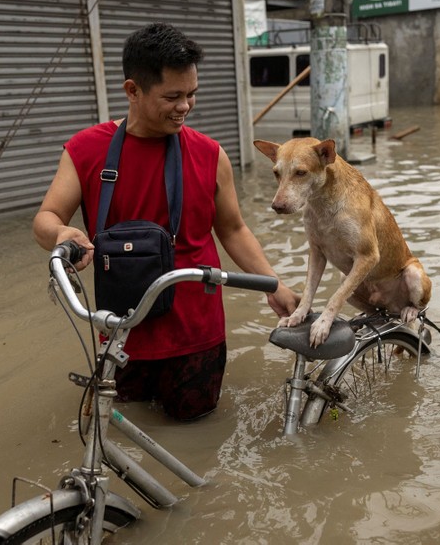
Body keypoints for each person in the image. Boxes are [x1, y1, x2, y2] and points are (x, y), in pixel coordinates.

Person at [33, 22, 297, 421]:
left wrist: (272, 284)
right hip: (121, 331)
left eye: (191, 94)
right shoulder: (85, 150)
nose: (185, 106)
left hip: (197, 334)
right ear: (132, 91)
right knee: (120, 428)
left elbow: (233, 229)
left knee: (195, 431)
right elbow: (45, 218)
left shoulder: (210, 154)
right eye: (172, 96)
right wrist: (62, 232)